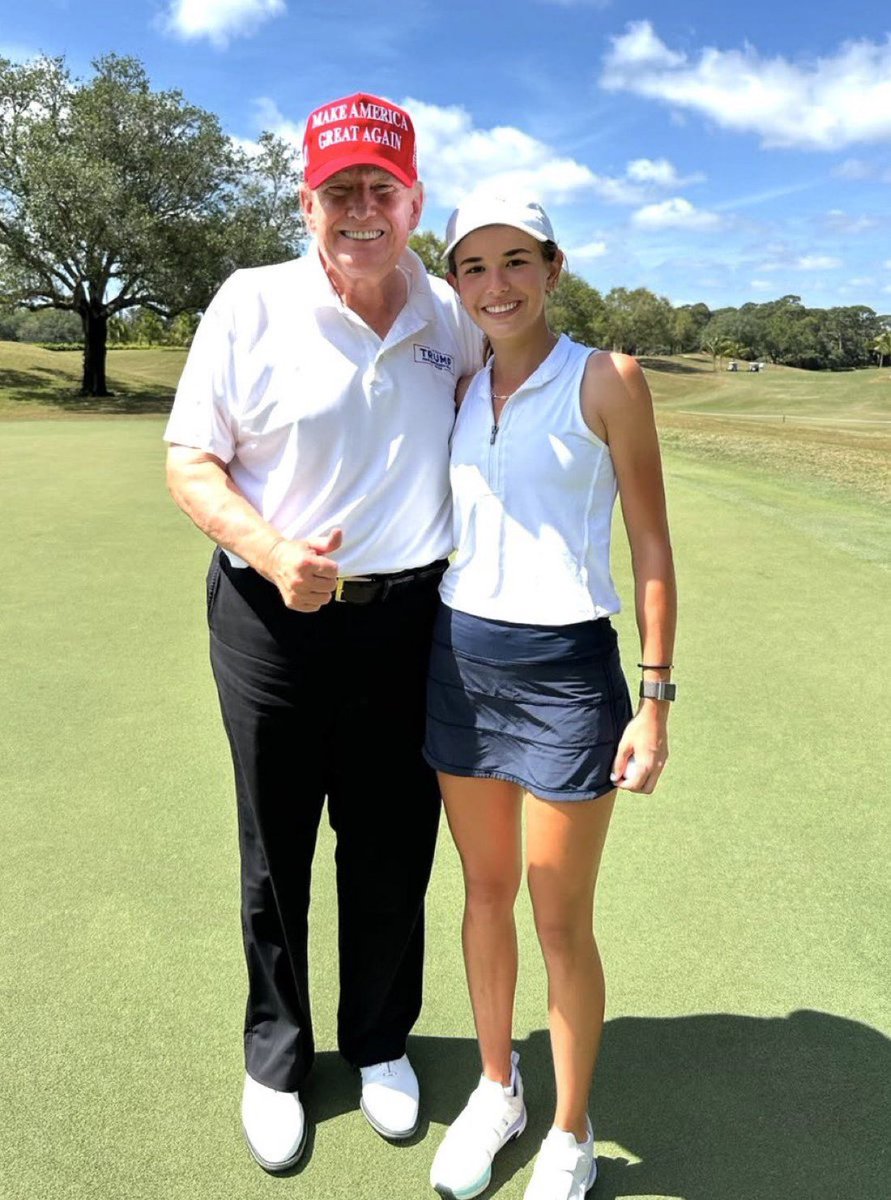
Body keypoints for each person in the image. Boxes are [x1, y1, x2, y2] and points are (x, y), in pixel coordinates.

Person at [164, 92, 481, 1174]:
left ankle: (381, 1043)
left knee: (394, 843)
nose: (360, 209)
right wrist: (270, 552)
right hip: (270, 618)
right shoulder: (249, 303)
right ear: (307, 204)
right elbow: (190, 462)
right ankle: (278, 1057)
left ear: (413, 201)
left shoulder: (450, 314)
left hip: (410, 625)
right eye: (338, 190)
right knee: (277, 844)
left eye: (379, 190)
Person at [424, 195, 677, 1200]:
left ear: (554, 266)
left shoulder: (607, 378)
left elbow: (652, 541)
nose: (497, 285)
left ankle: (570, 1129)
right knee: (485, 896)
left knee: (559, 917)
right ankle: (500, 1088)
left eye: (516, 260)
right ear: (455, 281)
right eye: (474, 267)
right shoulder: (458, 380)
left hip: (570, 673)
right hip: (458, 660)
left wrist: (654, 698)